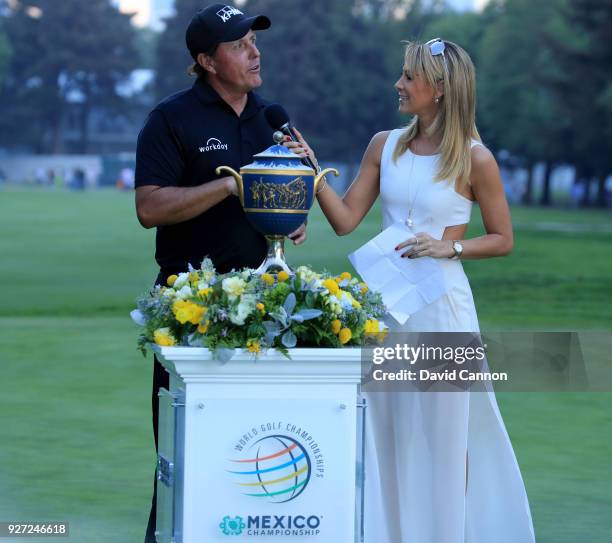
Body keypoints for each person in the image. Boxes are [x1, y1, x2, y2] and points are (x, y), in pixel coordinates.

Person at [285, 39, 535, 542]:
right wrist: (313, 173)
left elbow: (503, 238)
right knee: (387, 436)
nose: (398, 85)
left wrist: (453, 250)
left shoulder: (475, 159)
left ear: (439, 89)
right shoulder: (384, 145)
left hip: (443, 312)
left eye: (408, 78)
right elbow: (346, 221)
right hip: (384, 313)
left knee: (446, 439)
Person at [134, 5, 306, 542]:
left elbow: (294, 204)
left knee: (259, 443)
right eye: (239, 46)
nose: (255, 53)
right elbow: (149, 208)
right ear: (207, 60)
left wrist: (290, 217)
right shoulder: (172, 117)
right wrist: (232, 185)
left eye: (255, 42)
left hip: (266, 304)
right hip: (190, 306)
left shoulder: (272, 118)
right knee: (187, 449)